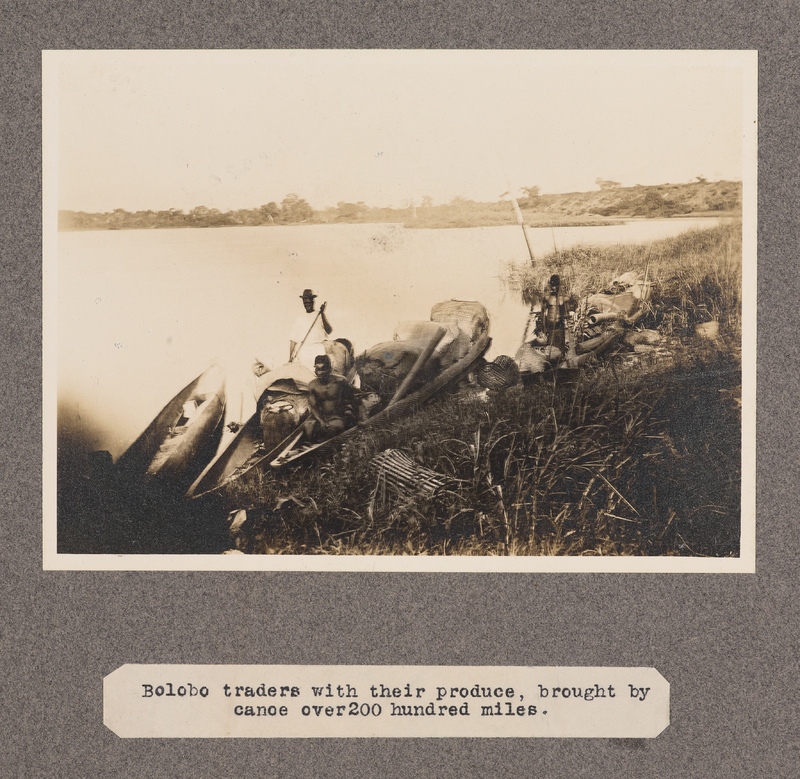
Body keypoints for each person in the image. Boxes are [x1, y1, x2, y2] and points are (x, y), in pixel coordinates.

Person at [301, 354, 356, 442]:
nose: (320, 372)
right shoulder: (312, 385)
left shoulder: (341, 381)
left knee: (333, 429)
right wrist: (321, 420)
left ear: (329, 369)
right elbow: (313, 406)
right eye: (317, 369)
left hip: (338, 416)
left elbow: (352, 399)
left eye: (323, 369)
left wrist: (348, 414)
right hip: (322, 417)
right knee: (308, 429)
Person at [290, 289, 332, 369]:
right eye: (305, 303)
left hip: (317, 348)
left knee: (321, 369)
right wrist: (290, 357)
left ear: (313, 302)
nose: (307, 305)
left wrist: (322, 313)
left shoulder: (319, 315)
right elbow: (293, 340)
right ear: (303, 302)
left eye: (309, 302)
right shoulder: (299, 319)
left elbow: (329, 330)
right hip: (303, 350)